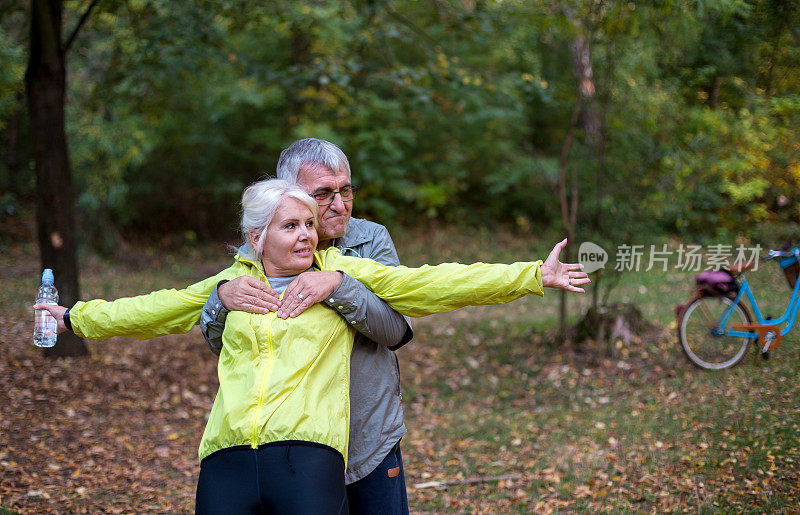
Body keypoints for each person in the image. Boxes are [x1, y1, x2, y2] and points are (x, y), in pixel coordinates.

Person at [36, 179, 589, 514]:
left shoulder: (343, 271)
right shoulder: (229, 287)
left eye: (309, 225)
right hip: (227, 456)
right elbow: (153, 308)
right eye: (291, 226)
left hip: (308, 457)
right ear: (258, 239)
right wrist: (73, 319)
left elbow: (433, 283)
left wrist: (530, 276)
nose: (307, 235)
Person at [199, 138, 415, 514]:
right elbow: (225, 344)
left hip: (367, 436)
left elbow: (396, 331)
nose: (339, 204)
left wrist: (338, 285)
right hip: (293, 448)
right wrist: (221, 299)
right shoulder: (264, 249)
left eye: (345, 190)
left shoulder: (370, 240)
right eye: (324, 193)